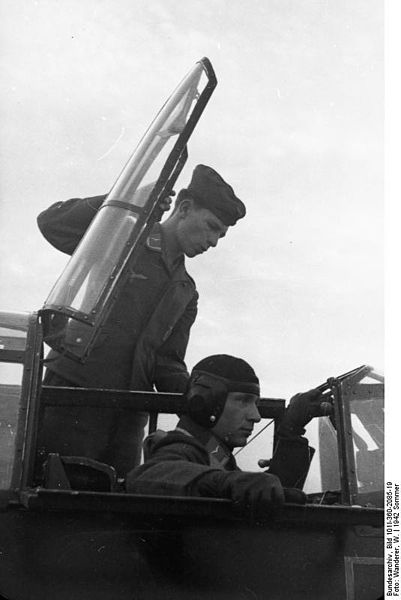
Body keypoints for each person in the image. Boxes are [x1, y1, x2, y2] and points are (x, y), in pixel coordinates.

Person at [36, 166, 246, 476]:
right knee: (55, 495)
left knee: (115, 506)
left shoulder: (186, 291)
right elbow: (52, 223)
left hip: (130, 415)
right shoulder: (123, 238)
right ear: (185, 209)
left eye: (221, 235)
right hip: (75, 397)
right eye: (211, 226)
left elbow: (168, 363)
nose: (213, 241)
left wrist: (204, 398)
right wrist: (128, 201)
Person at [126, 354, 325, 518]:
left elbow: (269, 498)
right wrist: (227, 482)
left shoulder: (215, 455)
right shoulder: (178, 448)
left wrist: (291, 430)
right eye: (243, 401)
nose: (256, 416)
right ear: (205, 402)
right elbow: (147, 477)